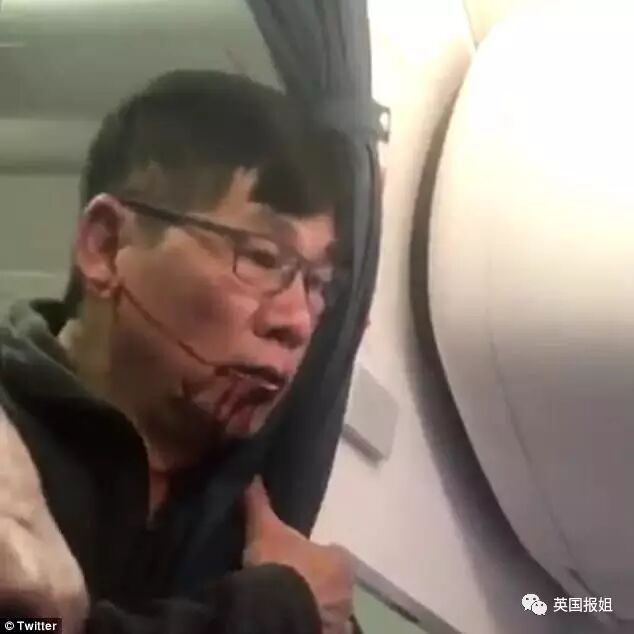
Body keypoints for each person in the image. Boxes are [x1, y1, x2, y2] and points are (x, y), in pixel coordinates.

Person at [0, 70, 359, 634]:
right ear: (106, 246)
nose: (296, 321)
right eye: (263, 257)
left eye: (318, 284)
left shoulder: (257, 514)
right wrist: (276, 612)